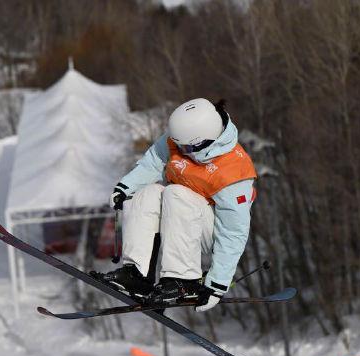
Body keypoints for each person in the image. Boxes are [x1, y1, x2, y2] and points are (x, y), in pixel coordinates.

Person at [95, 98, 257, 312]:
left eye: (185, 147)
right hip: (180, 219)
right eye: (177, 143)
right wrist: (125, 187)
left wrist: (217, 284)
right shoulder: (182, 139)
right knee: (146, 192)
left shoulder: (234, 173)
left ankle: (183, 281)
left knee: (176, 193)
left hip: (210, 231)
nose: (179, 150)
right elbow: (154, 162)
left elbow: (233, 233)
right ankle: (137, 274)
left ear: (203, 142)